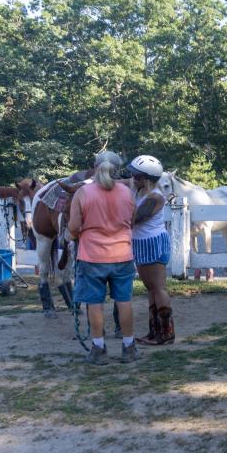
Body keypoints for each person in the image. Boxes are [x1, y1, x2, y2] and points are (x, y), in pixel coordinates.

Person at [68, 151, 138, 365]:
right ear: (117, 170)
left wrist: (79, 234)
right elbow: (131, 222)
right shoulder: (127, 193)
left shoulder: (83, 193)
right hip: (122, 255)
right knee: (124, 301)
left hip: (92, 257)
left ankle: (98, 349)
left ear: (95, 167)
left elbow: (72, 229)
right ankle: (129, 347)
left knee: (95, 303)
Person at [127, 155, 174, 346]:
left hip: (151, 243)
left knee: (158, 288)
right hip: (144, 242)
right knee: (151, 289)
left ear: (145, 179)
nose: (132, 178)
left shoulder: (154, 198)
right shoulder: (141, 191)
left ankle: (166, 332)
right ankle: (155, 331)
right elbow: (116, 182)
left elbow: (134, 219)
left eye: (136, 176)